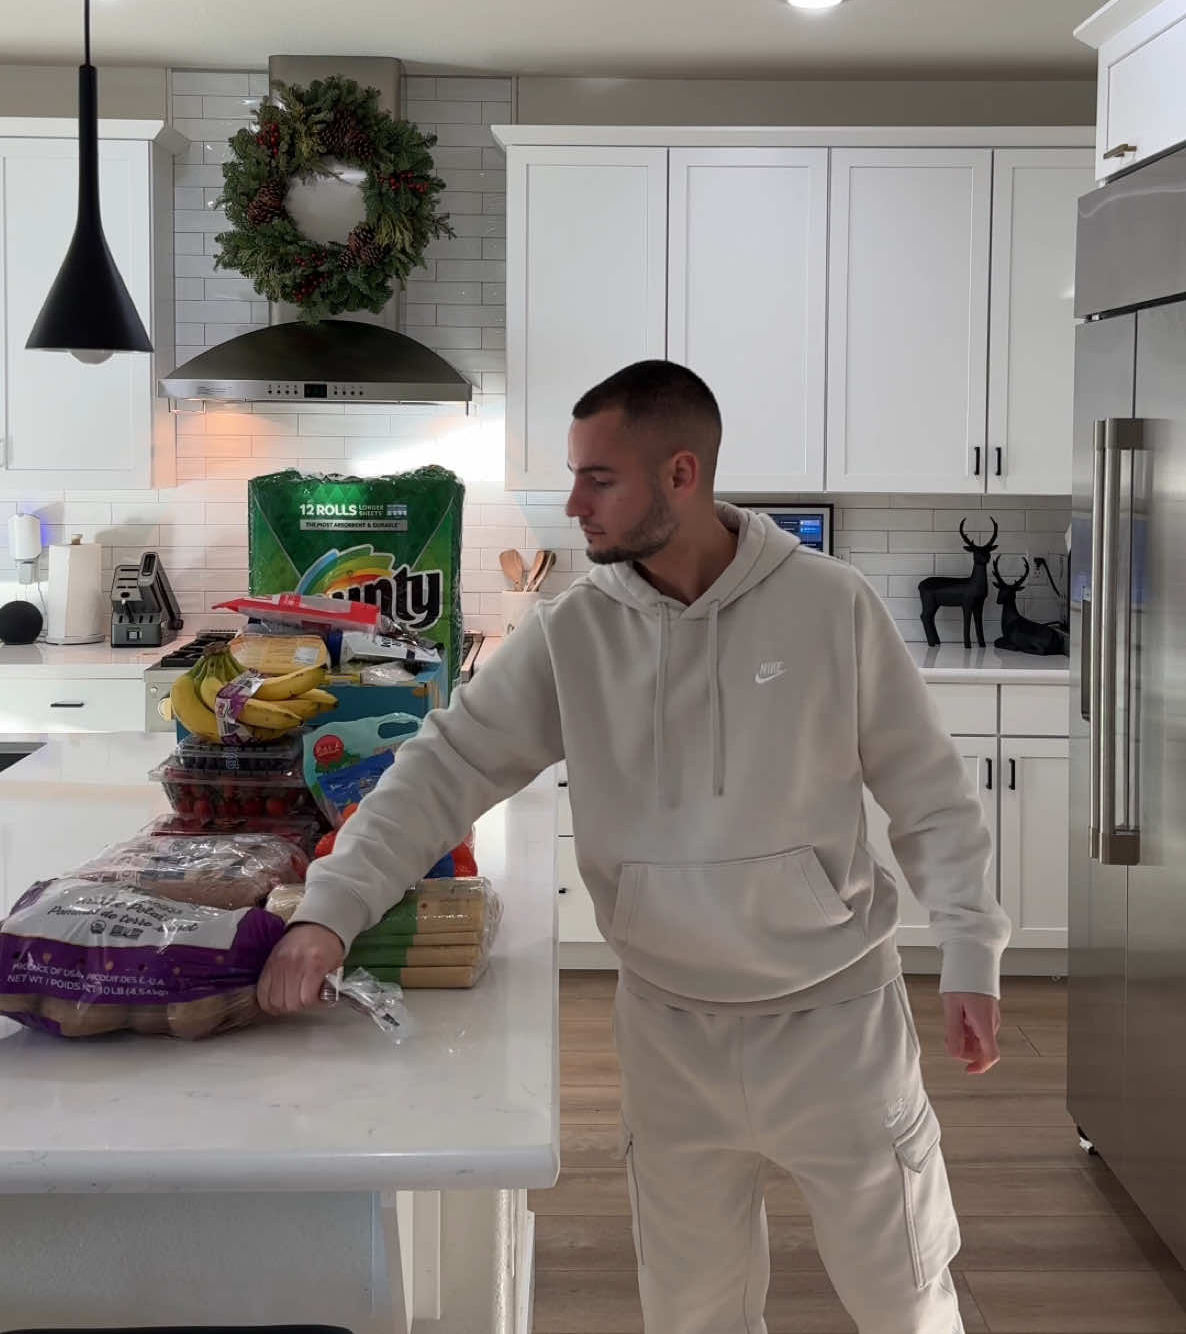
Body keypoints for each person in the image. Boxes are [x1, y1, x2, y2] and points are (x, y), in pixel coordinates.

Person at [259, 359, 1010, 1334]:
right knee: (692, 1312)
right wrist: (330, 908)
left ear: (681, 475)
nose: (572, 503)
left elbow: (929, 794)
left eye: (597, 478)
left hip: (837, 1026)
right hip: (667, 1034)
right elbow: (445, 767)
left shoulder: (831, 606)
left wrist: (971, 949)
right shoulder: (573, 633)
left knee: (903, 1297)